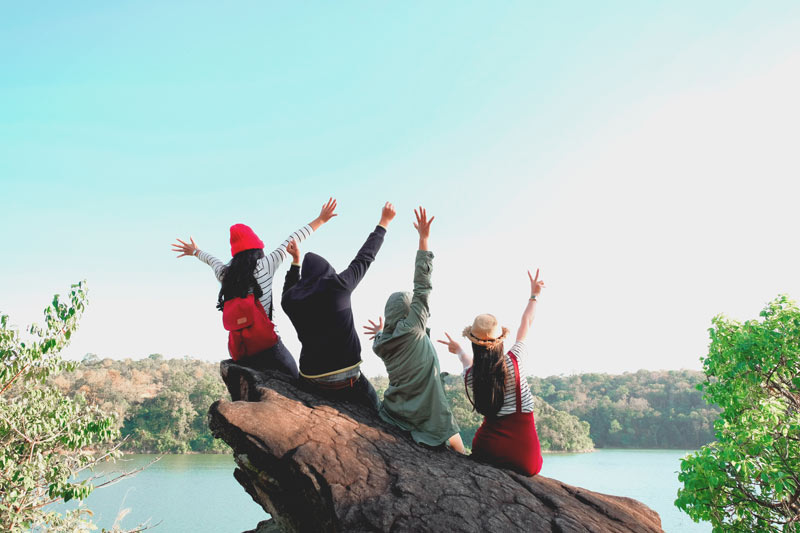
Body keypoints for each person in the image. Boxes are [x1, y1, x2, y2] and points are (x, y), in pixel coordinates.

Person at [171, 198, 339, 378]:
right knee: (298, 380)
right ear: (258, 248)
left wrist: (195, 251)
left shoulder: (225, 274)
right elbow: (293, 239)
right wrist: (320, 220)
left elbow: (211, 260)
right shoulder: (266, 264)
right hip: (268, 347)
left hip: (240, 351)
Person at [362, 207, 465, 453]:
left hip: (397, 409)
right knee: (460, 451)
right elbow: (422, 286)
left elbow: (381, 336)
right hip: (429, 411)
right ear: (410, 313)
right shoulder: (413, 328)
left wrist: (379, 330)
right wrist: (423, 239)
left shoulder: (381, 342)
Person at [281, 202, 396, 411]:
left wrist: (296, 262)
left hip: (310, 379)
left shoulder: (291, 301)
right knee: (379, 412)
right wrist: (384, 223)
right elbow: (365, 257)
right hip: (347, 380)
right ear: (327, 271)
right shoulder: (338, 286)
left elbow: (288, 288)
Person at [438, 269, 546, 475]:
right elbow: (526, 323)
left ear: (474, 344)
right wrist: (534, 295)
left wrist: (458, 350)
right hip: (525, 459)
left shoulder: (471, 377)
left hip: (487, 450)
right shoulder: (515, 360)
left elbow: (467, 361)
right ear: (500, 340)